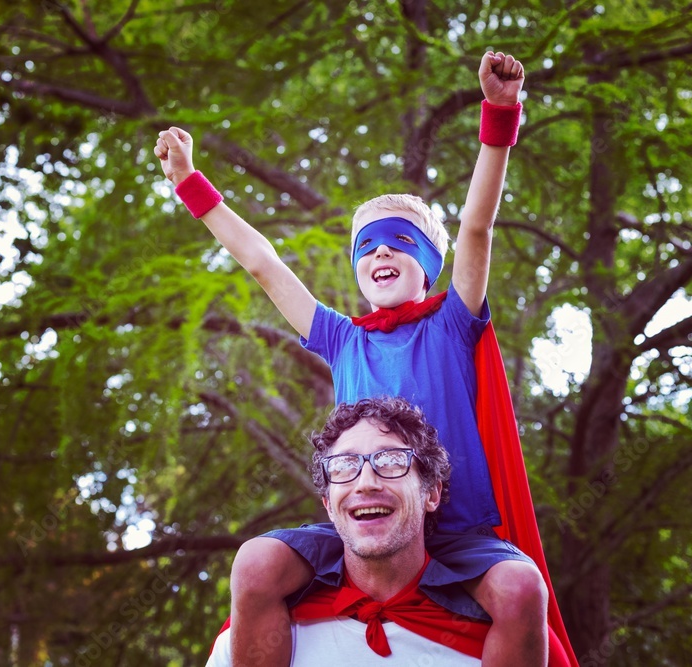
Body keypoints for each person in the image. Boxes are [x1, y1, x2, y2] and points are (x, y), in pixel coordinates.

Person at [155, 51, 575, 666]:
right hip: (362, 521)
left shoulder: (453, 321)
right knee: (259, 564)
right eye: (367, 246)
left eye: (399, 242)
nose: (381, 253)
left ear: (428, 265)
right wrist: (190, 182)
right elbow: (263, 265)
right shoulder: (341, 338)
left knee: (520, 588)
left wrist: (500, 115)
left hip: (454, 532)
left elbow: (477, 228)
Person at [206, 397, 531, 666]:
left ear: (431, 493)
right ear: (329, 506)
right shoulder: (260, 633)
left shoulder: (497, 640)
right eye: (345, 466)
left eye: (391, 460)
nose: (366, 482)